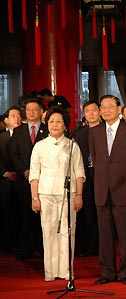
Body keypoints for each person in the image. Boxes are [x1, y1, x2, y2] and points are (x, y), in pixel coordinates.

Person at [89, 95, 126, 285]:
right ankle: (107, 272)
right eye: (102, 107)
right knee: (105, 236)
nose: (105, 111)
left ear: (118, 109)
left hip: (125, 191)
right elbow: (96, 162)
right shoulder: (94, 132)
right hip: (102, 191)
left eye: (109, 107)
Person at [29, 106, 85, 281]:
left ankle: (66, 271)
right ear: (47, 124)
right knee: (48, 233)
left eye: (58, 121)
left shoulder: (72, 145)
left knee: (68, 233)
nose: (54, 124)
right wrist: (35, 197)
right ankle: (50, 272)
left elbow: (80, 172)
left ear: (65, 125)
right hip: (45, 195)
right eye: (52, 121)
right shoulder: (39, 146)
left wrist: (78, 195)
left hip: (67, 195)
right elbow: (34, 174)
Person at [11, 98, 48, 260]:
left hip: (45, 180)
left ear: (41, 111)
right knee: (25, 216)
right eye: (28, 109)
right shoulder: (19, 131)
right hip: (24, 180)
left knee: (43, 217)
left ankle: (43, 248)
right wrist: (25, 171)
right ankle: (26, 248)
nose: (31, 112)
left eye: (35, 109)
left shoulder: (48, 130)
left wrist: (38, 174)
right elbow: (13, 154)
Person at [73, 102, 101, 257]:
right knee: (88, 210)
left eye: (94, 111)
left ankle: (104, 244)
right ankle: (90, 245)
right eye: (87, 111)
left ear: (100, 112)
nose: (91, 114)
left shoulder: (107, 131)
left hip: (103, 175)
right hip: (85, 175)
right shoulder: (80, 133)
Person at [0, 107, 22, 253]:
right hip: (5, 180)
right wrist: (5, 172)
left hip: (23, 179)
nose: (17, 118)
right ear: (6, 120)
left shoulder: (26, 136)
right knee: (6, 212)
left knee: (22, 212)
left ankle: (22, 243)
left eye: (19, 115)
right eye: (13, 116)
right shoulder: (1, 137)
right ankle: (7, 243)